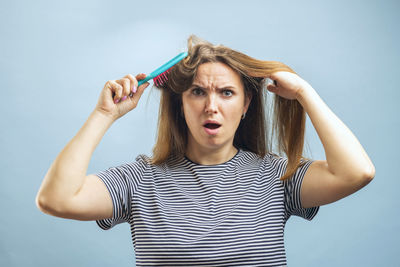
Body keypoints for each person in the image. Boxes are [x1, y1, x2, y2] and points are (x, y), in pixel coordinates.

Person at [36, 35, 375, 266]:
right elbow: (56, 199)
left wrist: (303, 92)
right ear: (180, 105)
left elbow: (356, 172)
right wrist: (102, 115)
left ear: (246, 105)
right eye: (197, 92)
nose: (211, 106)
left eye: (226, 93)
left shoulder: (276, 176)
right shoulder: (139, 181)